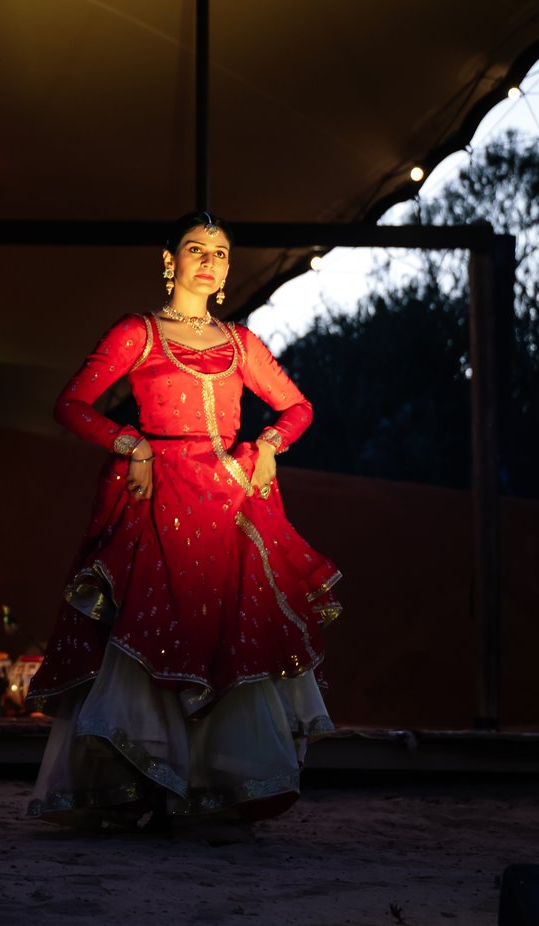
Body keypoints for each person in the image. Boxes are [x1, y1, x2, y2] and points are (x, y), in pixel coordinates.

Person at [25, 210, 342, 834]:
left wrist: (270, 443)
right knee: (151, 634)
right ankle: (142, 783)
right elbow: (72, 404)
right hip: (158, 499)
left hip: (226, 503)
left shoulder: (241, 343)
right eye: (196, 249)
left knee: (223, 639)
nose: (209, 262)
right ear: (170, 260)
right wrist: (132, 445)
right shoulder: (138, 332)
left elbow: (298, 407)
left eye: (220, 253)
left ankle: (205, 790)